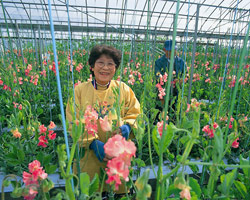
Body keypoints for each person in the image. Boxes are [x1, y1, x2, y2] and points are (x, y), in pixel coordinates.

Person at [66, 44, 140, 196]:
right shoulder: (80, 90)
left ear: (115, 68)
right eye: (100, 63)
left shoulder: (123, 88)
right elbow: (72, 121)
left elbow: (135, 112)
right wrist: (92, 143)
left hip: (118, 154)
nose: (105, 68)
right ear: (92, 66)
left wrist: (127, 127)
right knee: (93, 190)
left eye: (110, 64)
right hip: (89, 156)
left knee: (118, 190)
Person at [154, 40, 186, 118]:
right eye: (169, 50)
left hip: (176, 93)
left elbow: (186, 74)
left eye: (173, 50)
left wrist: (182, 80)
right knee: (161, 113)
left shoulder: (181, 62)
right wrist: (163, 80)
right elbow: (157, 75)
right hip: (163, 92)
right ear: (164, 50)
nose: (172, 52)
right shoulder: (159, 62)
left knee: (175, 113)